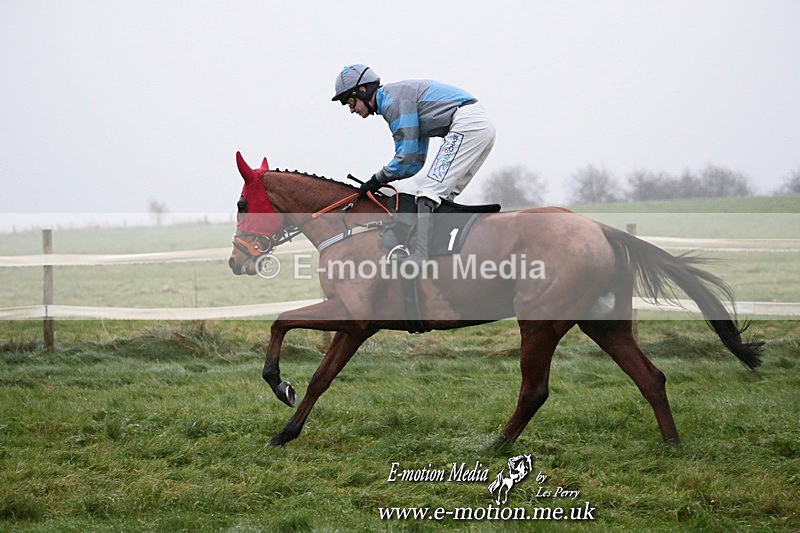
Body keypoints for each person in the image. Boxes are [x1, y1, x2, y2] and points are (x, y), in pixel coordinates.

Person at [332, 64, 496, 265]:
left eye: (349, 100)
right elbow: (414, 163)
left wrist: (376, 179)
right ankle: (444, 255)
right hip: (479, 126)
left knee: (428, 193)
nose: (350, 109)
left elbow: (406, 157)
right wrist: (381, 180)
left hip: (468, 124)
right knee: (441, 197)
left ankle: (420, 255)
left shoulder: (392, 102)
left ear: (363, 90)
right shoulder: (395, 100)